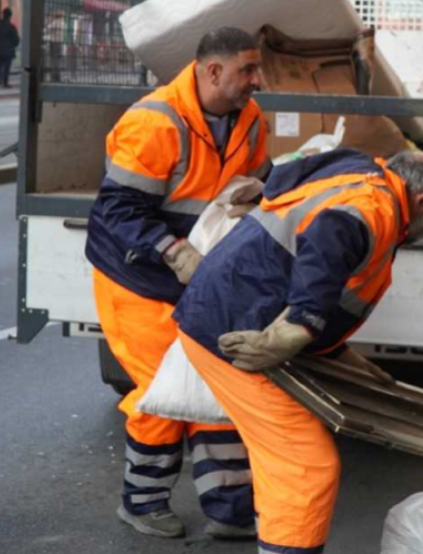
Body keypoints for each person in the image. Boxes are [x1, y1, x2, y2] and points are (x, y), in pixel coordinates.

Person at [173, 149, 423, 554]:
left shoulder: (364, 173)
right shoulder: (373, 206)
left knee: (285, 456)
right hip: (239, 333)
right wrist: (298, 327)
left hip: (232, 315)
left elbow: (304, 177)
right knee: (305, 465)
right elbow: (327, 242)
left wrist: (337, 355)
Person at [85, 27, 272, 540]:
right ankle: (142, 502)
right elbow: (117, 210)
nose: (259, 80)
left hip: (198, 275)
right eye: (248, 70)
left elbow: (256, 178)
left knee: (217, 382)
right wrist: (173, 249)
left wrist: (262, 196)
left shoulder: (249, 119)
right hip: (135, 277)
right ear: (213, 72)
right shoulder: (155, 121)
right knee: (164, 391)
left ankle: (230, 511)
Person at [0, 8, 19, 88]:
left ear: (3, 15)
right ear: (10, 16)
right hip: (8, 50)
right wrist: (13, 45)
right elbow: (16, 39)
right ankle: (5, 83)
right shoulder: (11, 27)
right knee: (7, 67)